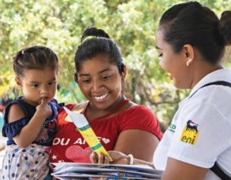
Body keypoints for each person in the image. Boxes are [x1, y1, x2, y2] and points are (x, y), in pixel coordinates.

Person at [90, 2, 231, 179]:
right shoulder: (211, 98)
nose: (161, 64)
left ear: (187, 53)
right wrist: (128, 164)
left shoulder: (209, 104)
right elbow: (173, 169)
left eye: (161, 54)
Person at [49, 27, 162, 164]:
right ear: (77, 80)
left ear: (123, 72)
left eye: (105, 77)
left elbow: (124, 174)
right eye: (86, 80)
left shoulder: (137, 117)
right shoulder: (62, 114)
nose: (96, 88)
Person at [0, 46, 63, 179]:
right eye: (35, 85)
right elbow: (22, 141)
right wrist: (39, 116)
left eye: (51, 83)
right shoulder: (17, 108)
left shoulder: (53, 106)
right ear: (19, 82)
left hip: (44, 169)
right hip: (21, 171)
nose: (44, 91)